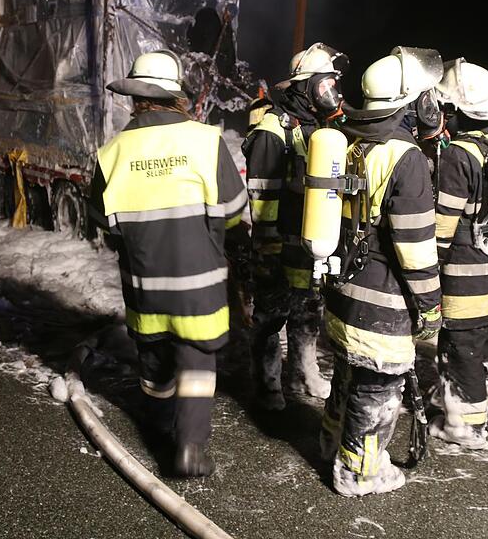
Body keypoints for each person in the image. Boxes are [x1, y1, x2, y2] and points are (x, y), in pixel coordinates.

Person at [88, 49, 247, 477]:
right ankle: (190, 446)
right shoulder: (206, 141)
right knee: (196, 357)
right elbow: (234, 208)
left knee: (154, 356)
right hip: (200, 284)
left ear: (136, 98)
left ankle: (159, 424)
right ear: (176, 95)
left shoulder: (113, 152)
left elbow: (101, 220)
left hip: (143, 284)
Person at [319, 47, 443, 496]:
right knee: (378, 390)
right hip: (383, 300)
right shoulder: (404, 156)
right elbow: (414, 247)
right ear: (409, 100)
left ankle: (329, 441)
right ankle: (359, 472)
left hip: (343, 290)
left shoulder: (345, 138)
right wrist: (430, 305)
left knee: (347, 376)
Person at [242, 42, 345, 410]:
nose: (332, 90)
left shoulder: (318, 129)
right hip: (276, 245)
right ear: (306, 85)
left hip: (308, 242)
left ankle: (304, 373)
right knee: (271, 316)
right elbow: (262, 199)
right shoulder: (273, 130)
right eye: (326, 82)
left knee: (307, 311)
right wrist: (267, 253)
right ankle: (268, 385)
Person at [430, 58, 488, 449]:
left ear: (453, 110)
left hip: (468, 282)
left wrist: (424, 268)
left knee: (462, 350)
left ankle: (467, 427)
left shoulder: (458, 156)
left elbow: (442, 228)